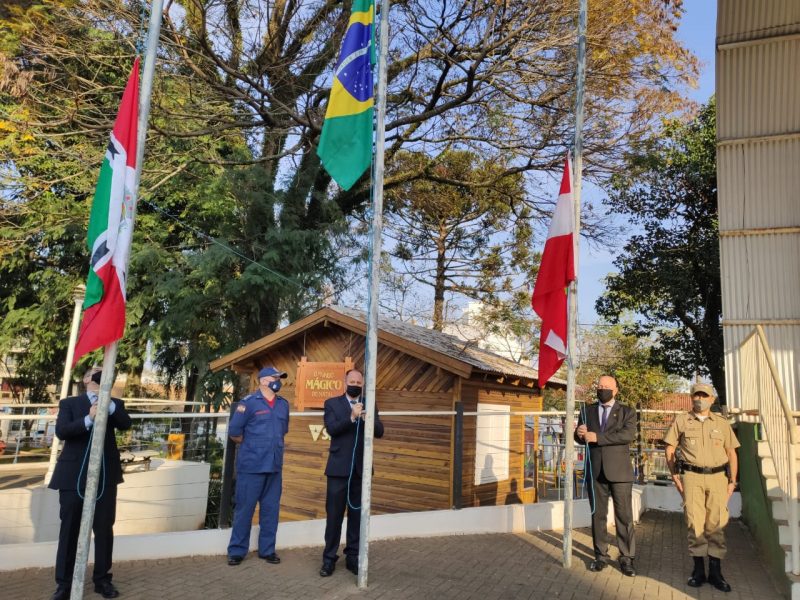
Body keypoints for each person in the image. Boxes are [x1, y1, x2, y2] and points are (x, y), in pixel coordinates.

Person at [49, 367, 132, 600]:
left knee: (104, 529)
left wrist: (109, 405)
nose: (100, 374)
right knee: (70, 530)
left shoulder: (116, 403)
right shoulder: (70, 404)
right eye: (96, 372)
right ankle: (64, 584)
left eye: (104, 372)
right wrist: (89, 418)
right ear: (86, 379)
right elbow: (62, 431)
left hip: (105, 475)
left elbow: (126, 424)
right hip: (73, 476)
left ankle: (102, 580)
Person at [664, 382, 739, 592]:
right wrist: (675, 476)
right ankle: (698, 572)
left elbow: (732, 453)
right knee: (694, 523)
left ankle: (716, 573)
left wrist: (733, 481)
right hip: (691, 477)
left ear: (711, 399)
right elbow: (670, 449)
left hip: (717, 478)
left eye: (704, 395)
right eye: (696, 395)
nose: (700, 398)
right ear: (691, 398)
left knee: (716, 524)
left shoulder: (722, 423)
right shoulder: (682, 420)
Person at [319, 369, 384, 577]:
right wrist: (352, 417)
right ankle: (329, 559)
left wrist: (367, 419)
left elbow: (380, 431)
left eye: (359, 382)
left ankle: (353, 557)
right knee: (334, 517)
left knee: (356, 516)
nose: (355, 384)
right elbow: (332, 429)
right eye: (352, 381)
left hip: (360, 471)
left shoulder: (369, 402)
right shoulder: (332, 403)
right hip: (338, 471)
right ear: (344, 382)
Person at [227, 366, 290, 566]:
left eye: (279, 378)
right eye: (275, 377)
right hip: (251, 466)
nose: (278, 381)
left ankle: (267, 550)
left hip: (274, 466)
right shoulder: (248, 404)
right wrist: (254, 447)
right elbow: (235, 433)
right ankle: (237, 551)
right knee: (244, 510)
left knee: (271, 511)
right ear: (263, 380)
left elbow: (283, 430)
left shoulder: (283, 405)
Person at [575, 375, 637, 577]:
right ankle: (600, 556)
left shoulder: (627, 411)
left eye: (606, 387)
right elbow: (580, 437)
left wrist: (597, 437)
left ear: (615, 390)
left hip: (619, 472)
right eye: (599, 386)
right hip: (595, 470)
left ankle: (626, 558)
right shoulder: (587, 410)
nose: (602, 389)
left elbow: (627, 436)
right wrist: (579, 432)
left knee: (624, 516)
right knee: (598, 515)